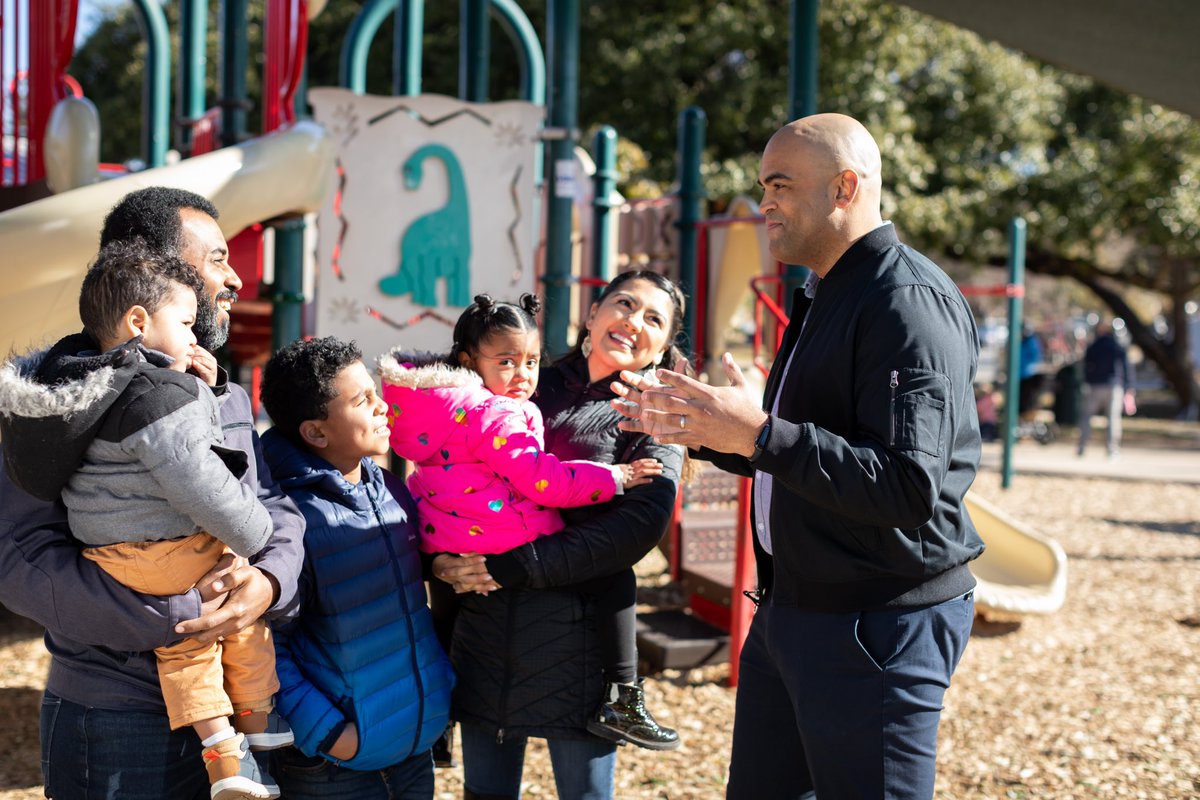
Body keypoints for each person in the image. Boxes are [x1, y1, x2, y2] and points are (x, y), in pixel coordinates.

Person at [613, 114, 984, 800]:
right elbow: (800, 453)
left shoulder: (905, 304)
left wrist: (757, 431)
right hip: (794, 614)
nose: (765, 205)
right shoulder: (824, 292)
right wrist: (707, 428)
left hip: (876, 623)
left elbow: (905, 486)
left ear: (845, 187)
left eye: (780, 185)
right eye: (763, 186)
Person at [0, 187, 305, 800]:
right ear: (155, 271)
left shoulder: (217, 387)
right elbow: (19, 558)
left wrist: (268, 582)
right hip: (118, 719)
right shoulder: (54, 401)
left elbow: (272, 504)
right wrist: (182, 612)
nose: (235, 278)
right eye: (216, 259)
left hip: (238, 701)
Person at [379, 293, 676, 753]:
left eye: (532, 361)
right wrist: (616, 477)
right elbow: (544, 481)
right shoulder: (498, 409)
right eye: (508, 362)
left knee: (443, 615)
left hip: (451, 532)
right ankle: (623, 690)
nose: (523, 375)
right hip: (509, 534)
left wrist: (433, 560)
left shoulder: (435, 404)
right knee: (615, 576)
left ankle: (435, 713)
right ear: (591, 313)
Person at [258, 337, 455, 799]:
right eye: (363, 400)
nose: (382, 407)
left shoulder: (387, 485)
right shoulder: (289, 518)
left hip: (413, 746)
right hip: (333, 770)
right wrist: (328, 734)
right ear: (316, 433)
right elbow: (265, 642)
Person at [1078, 319, 1134, 458]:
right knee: (1113, 419)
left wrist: (1087, 381)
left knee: (1087, 417)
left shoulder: (1094, 346)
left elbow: (1085, 367)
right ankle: (1112, 450)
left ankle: (1082, 446)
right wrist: (1130, 386)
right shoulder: (1118, 347)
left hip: (1095, 386)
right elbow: (1127, 368)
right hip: (1114, 386)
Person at [1017, 326, 1045, 422]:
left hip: (1026, 376)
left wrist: (1020, 364)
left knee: (1026, 402)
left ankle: (1025, 419)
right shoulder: (1024, 342)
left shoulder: (1031, 343)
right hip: (1021, 375)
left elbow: (1034, 359)